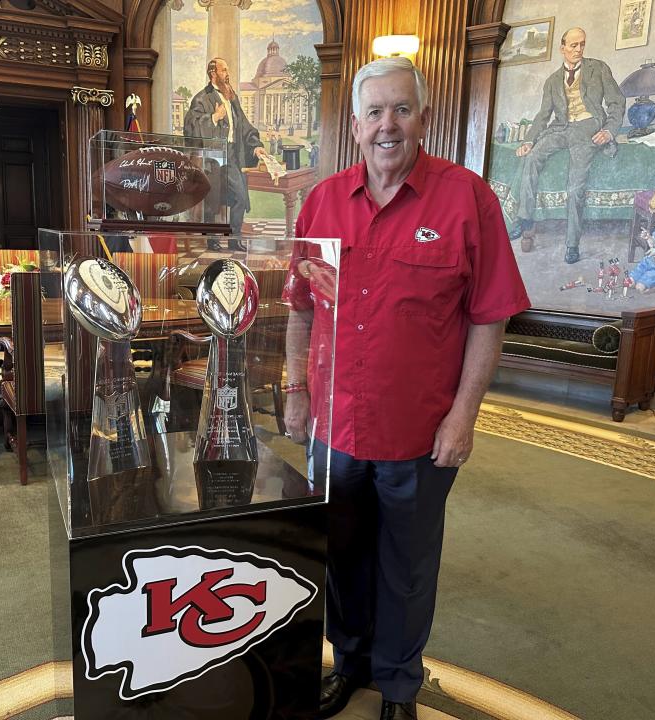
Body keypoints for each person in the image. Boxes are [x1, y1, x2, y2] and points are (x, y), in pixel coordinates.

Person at [283, 57, 530, 720]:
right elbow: (301, 305)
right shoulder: (323, 199)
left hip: (419, 433)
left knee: (406, 568)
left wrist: (463, 417)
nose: (387, 124)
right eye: (374, 112)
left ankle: (397, 686)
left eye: (401, 109)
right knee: (341, 557)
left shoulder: (467, 199)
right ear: (356, 127)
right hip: (334, 425)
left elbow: (489, 316)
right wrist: (294, 390)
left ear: (422, 118)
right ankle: (353, 662)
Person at [512, 27, 625, 265]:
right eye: (573, 45)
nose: (579, 49)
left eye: (582, 44)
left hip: (588, 128)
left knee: (575, 187)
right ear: (562, 48)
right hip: (562, 128)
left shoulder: (599, 68)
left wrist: (609, 131)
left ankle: (572, 243)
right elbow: (543, 115)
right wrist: (528, 141)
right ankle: (525, 220)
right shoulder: (553, 80)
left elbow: (617, 102)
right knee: (531, 157)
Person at [184, 57, 267, 250]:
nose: (227, 74)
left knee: (239, 196)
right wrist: (214, 117)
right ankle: (212, 240)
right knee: (212, 197)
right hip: (211, 156)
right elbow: (190, 126)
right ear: (213, 73)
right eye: (223, 70)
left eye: (227, 70)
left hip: (231, 154)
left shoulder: (231, 97)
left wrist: (255, 145)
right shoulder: (201, 98)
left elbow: (244, 125)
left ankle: (234, 238)